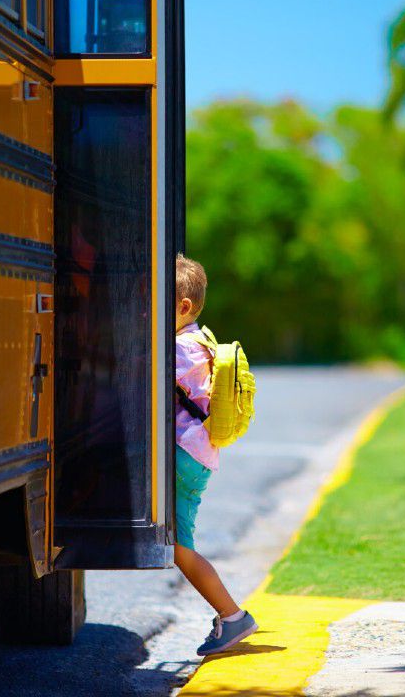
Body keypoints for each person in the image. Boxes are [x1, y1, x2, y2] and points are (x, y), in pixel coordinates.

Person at [174, 253, 258, 656]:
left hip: (183, 453)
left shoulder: (179, 350)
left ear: (183, 307)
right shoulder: (200, 339)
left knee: (180, 547)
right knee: (177, 543)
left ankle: (232, 617)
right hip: (196, 454)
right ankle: (230, 616)